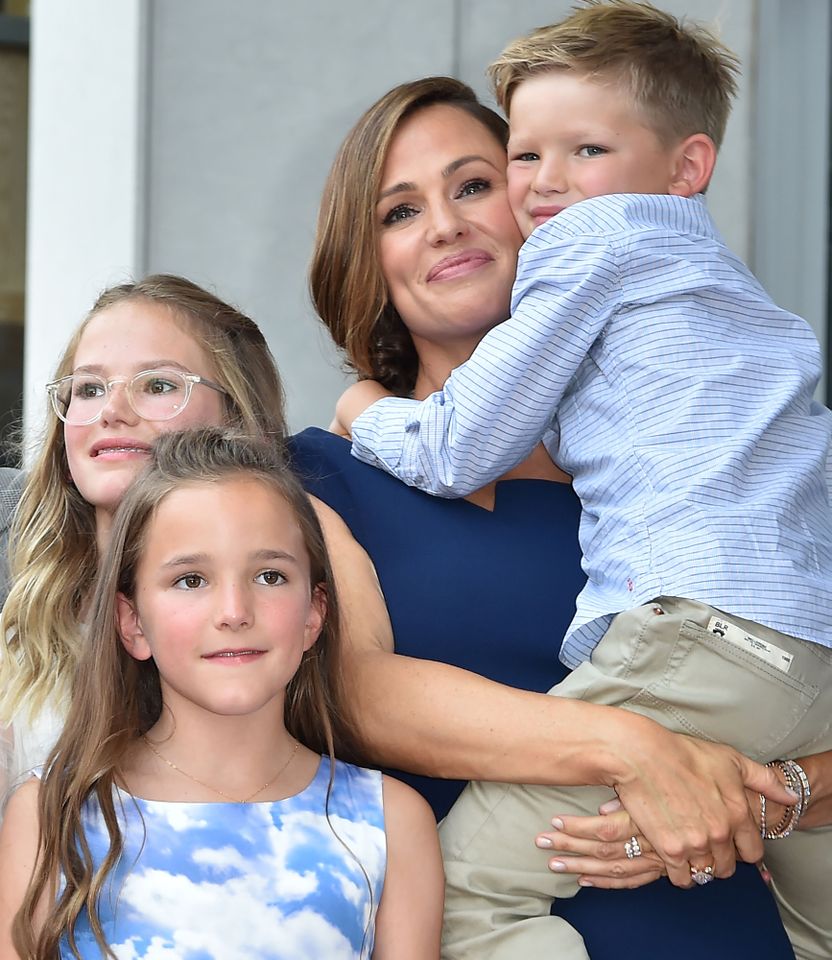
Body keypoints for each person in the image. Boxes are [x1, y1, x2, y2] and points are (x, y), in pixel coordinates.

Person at [331, 5, 832, 958]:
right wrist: (643, 753)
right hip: (798, 653)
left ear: (684, 169)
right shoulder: (733, 326)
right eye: (400, 210)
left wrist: (367, 412)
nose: (545, 187)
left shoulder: (590, 244)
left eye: (477, 181)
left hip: (702, 649)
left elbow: (453, 448)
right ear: (368, 257)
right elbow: (353, 691)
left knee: (454, 914)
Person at [0, 428, 442, 959]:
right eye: (191, 580)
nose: (235, 611)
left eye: (271, 575)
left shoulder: (390, 823)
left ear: (315, 613)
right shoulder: (53, 816)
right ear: (132, 620)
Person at [0, 274, 287, 797]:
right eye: (88, 388)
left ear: (239, 421)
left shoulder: (280, 605)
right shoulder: (24, 619)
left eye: (157, 385)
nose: (112, 410)